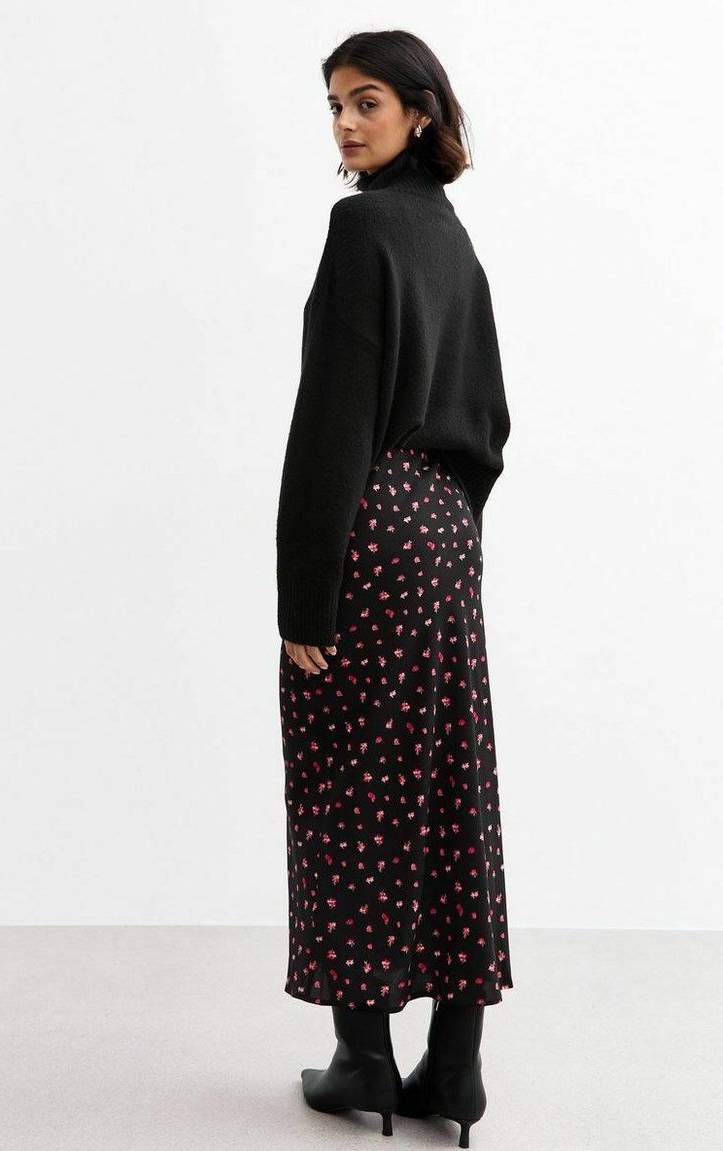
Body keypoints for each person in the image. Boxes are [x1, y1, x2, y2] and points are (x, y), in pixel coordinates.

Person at [275, 29, 513, 1145]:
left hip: (369, 521)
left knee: (347, 784)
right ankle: (454, 1068)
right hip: (444, 528)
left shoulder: (361, 226)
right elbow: (491, 419)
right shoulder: (451, 237)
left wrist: (303, 594)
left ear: (421, 110)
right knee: (449, 780)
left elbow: (333, 417)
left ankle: (363, 1055)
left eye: (365, 101)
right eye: (334, 104)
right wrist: (447, 521)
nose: (344, 123)